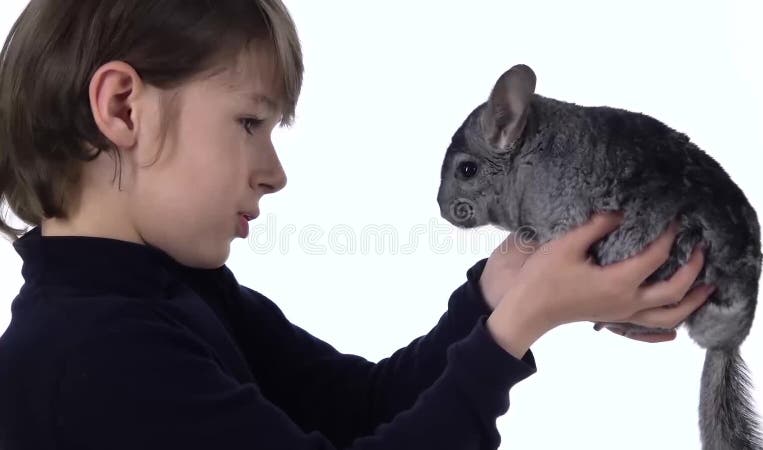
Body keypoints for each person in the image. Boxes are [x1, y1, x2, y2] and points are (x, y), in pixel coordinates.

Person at [0, 1, 714, 449]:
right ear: (125, 108)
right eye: (249, 122)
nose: (274, 171)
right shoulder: (88, 358)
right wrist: (508, 336)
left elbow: (362, 412)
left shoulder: (180, 291)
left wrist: (497, 294)